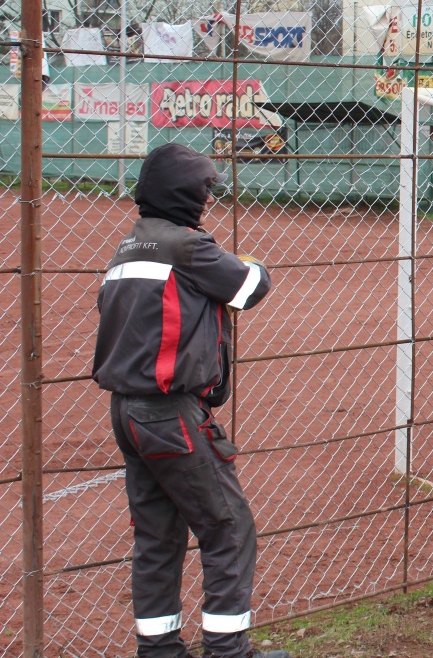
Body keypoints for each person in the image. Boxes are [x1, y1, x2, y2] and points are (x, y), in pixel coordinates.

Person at [92, 143, 284, 658]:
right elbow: (250, 286)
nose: (208, 199)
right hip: (169, 412)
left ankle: (158, 650)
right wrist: (245, 260)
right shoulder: (187, 246)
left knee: (157, 535)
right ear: (182, 194)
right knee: (228, 527)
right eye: (203, 190)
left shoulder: (128, 246)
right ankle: (228, 649)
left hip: (126, 411)